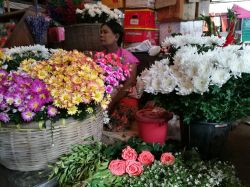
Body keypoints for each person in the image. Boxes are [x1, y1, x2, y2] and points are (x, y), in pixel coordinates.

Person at [99, 20, 140, 131]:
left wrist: (111, 103)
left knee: (116, 124)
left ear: (116, 36)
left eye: (105, 32)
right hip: (103, 98)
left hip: (123, 96)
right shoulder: (99, 56)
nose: (101, 35)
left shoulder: (127, 57)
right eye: (101, 32)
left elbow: (128, 85)